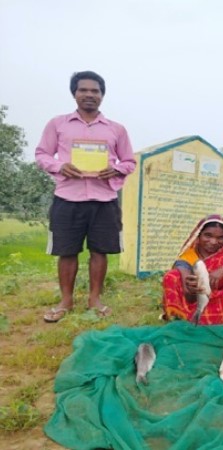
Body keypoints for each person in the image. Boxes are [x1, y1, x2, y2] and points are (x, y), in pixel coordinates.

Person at [35, 71, 136, 323]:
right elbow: (42, 154)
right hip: (68, 197)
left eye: (95, 91)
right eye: (84, 90)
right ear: (74, 93)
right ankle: (66, 301)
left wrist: (117, 169)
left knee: (100, 250)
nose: (89, 95)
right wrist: (60, 166)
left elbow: (129, 161)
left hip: (104, 200)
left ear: (102, 95)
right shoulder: (57, 124)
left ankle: (95, 299)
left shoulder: (117, 129)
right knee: (66, 251)